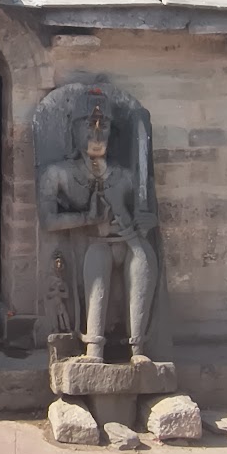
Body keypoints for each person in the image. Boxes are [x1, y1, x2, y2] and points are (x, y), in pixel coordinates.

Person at [38, 92, 158, 363]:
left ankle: (138, 348)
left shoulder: (125, 176)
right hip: (94, 243)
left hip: (128, 241)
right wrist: (88, 218)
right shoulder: (58, 174)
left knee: (142, 262)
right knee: (97, 266)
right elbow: (48, 221)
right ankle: (94, 348)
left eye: (103, 125)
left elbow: (147, 213)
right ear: (74, 130)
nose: (96, 133)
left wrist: (147, 221)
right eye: (88, 125)